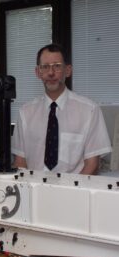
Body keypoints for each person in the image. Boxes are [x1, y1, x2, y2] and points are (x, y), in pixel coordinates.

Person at [11, 43, 111, 174]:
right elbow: (20, 162)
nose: (51, 73)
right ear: (38, 72)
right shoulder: (25, 112)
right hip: (34, 190)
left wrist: (70, 194)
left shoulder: (90, 111)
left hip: (74, 190)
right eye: (45, 67)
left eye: (57, 66)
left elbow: (92, 165)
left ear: (68, 70)